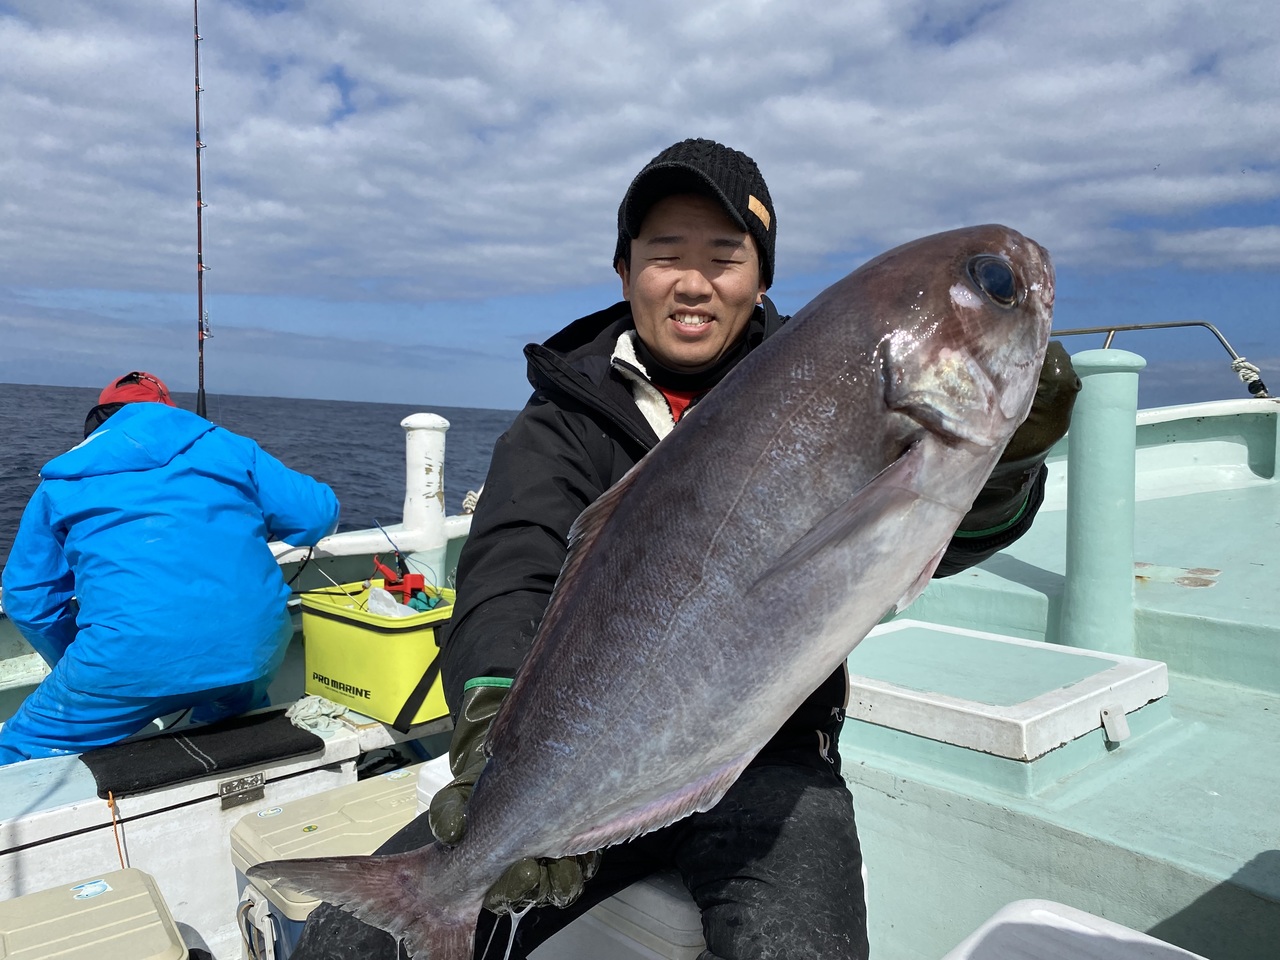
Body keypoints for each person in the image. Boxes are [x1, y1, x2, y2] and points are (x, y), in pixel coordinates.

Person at [290, 139, 1079, 960]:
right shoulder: (562, 419)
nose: (694, 283)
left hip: (773, 759)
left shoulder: (829, 377)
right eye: (666, 254)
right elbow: (511, 567)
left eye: (724, 257)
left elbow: (932, 542)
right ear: (625, 271)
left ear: (761, 279)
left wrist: (1004, 467)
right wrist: (493, 725)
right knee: (345, 944)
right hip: (577, 764)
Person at [0, 371, 339, 765]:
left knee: (19, 749)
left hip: (122, 661)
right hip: (253, 653)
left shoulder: (61, 479)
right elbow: (317, 515)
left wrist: (77, 662)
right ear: (170, 411)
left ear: (101, 421)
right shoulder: (230, 447)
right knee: (232, 706)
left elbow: (28, 600)